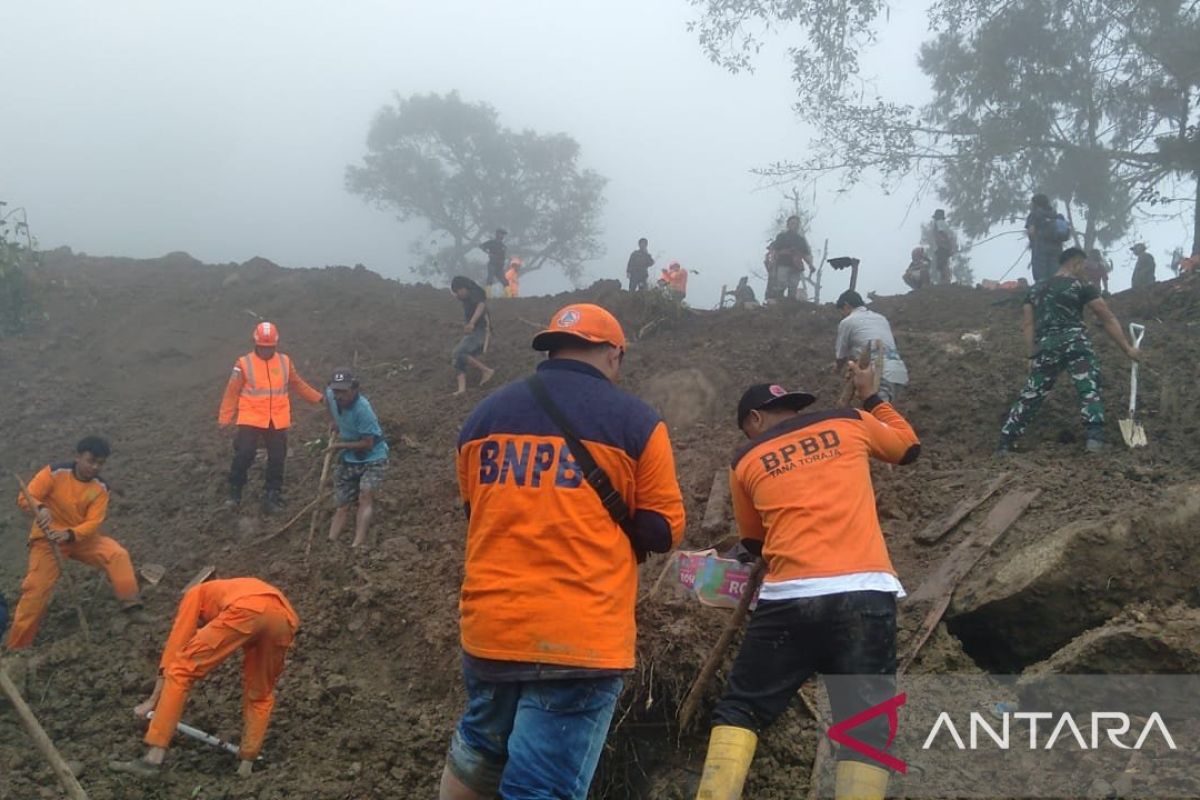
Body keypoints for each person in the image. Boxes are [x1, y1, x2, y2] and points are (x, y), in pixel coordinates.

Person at [440, 303, 686, 800]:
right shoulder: (635, 421)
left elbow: (477, 512)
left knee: (478, 751)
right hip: (579, 638)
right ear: (614, 354)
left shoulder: (482, 417)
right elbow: (662, 531)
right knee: (540, 786)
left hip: (491, 628)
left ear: (550, 349)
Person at [694, 369, 920, 800]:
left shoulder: (745, 459)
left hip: (789, 599)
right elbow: (908, 447)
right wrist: (873, 398)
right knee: (866, 726)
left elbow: (754, 542)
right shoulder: (848, 421)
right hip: (865, 592)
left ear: (754, 420)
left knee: (742, 707)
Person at [109, 576, 299, 778]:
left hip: (246, 609)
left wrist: (152, 700)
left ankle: (152, 759)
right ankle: (246, 765)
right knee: (260, 693)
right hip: (284, 620)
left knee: (180, 670)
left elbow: (176, 646)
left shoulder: (194, 594)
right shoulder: (227, 589)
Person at [6, 436, 149, 651]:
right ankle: (17, 647)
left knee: (116, 554)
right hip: (47, 539)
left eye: (100, 463)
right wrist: (40, 508)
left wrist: (71, 535)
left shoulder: (100, 488)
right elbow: (26, 497)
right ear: (78, 456)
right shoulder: (54, 472)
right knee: (36, 590)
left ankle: (132, 606)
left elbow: (94, 522)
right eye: (91, 460)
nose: (94, 467)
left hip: (79, 537)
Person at [998, 248, 1141, 455]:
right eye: (1084, 265)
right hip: (1076, 344)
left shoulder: (1036, 289)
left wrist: (1031, 354)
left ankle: (1006, 441)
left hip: (1046, 347)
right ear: (1075, 263)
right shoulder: (1082, 286)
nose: (1086, 270)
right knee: (1088, 388)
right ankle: (1094, 440)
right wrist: (1127, 349)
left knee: (1031, 393)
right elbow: (1106, 317)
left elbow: (1028, 324)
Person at [218, 322, 323, 514]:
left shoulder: (284, 362)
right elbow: (231, 392)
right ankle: (235, 492)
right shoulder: (243, 363)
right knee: (244, 454)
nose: (267, 351)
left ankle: (272, 495)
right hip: (251, 417)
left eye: (270, 348)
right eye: (264, 347)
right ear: (256, 344)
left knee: (277, 458)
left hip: (276, 418)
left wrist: (319, 399)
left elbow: (298, 384)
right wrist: (225, 418)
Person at [325, 369, 388, 550]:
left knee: (365, 494)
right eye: (336, 391)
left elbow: (368, 443)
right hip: (349, 457)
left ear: (353, 390)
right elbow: (326, 400)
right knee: (342, 502)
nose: (339, 396)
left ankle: (358, 542)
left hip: (373, 457)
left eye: (343, 392)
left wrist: (338, 446)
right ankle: (332, 541)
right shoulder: (332, 396)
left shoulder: (363, 409)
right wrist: (332, 421)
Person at [834, 290, 909, 404]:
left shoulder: (847, 322)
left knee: (877, 415)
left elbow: (841, 356)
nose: (842, 315)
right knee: (885, 413)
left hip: (880, 374)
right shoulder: (881, 318)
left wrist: (837, 370)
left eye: (841, 311)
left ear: (846, 305)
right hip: (898, 372)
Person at [450, 276, 496, 396]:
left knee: (459, 352)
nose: (457, 295)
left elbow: (481, 306)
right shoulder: (466, 300)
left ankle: (487, 371)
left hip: (481, 330)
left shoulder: (475, 294)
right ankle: (461, 389)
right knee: (457, 356)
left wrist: (471, 323)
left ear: (463, 288)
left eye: (457, 291)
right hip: (474, 331)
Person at [767, 215, 814, 301]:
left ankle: (790, 305)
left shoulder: (801, 240)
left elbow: (805, 254)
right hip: (783, 263)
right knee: (781, 284)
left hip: (796, 266)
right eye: (792, 223)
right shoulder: (782, 236)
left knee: (793, 285)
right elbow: (774, 249)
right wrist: (772, 261)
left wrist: (811, 265)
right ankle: (779, 302)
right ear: (788, 225)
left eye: (796, 224)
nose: (794, 225)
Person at [1026, 194, 1069, 284]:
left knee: (1041, 277)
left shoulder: (1035, 214)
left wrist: (1033, 241)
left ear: (1036, 204)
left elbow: (1031, 231)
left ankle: (1042, 294)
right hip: (1057, 249)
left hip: (1040, 249)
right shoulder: (1056, 215)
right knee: (1055, 274)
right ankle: (1054, 293)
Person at [480, 229, 509, 296]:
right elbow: (482, 246)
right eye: (501, 234)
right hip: (492, 264)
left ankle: (509, 296)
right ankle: (488, 295)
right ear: (497, 234)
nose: (502, 236)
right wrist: (488, 252)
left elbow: (504, 256)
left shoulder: (503, 246)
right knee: (490, 279)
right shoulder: (491, 242)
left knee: (505, 281)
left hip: (500, 266)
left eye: (503, 234)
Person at [931, 209, 955, 284]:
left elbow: (942, 234)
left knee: (942, 265)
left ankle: (945, 281)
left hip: (942, 247)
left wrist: (945, 244)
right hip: (942, 247)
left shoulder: (939, 222)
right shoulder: (941, 223)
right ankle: (945, 281)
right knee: (943, 264)